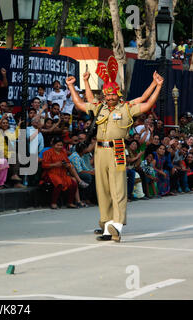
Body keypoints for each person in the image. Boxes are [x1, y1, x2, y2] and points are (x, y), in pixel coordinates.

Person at [66, 56, 164, 242]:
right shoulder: (100, 108)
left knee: (118, 188)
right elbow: (81, 103)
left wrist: (156, 85)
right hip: (100, 150)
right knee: (102, 188)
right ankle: (106, 225)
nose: (109, 97)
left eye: (113, 94)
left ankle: (117, 226)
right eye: (107, 94)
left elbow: (146, 102)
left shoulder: (127, 108)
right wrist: (73, 85)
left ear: (118, 95)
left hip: (118, 148)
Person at [41, 137, 78, 209]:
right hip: (51, 173)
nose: (59, 147)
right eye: (57, 145)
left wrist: (67, 165)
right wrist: (54, 164)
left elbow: (67, 162)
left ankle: (70, 202)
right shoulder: (47, 152)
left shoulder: (63, 152)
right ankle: (53, 203)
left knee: (73, 183)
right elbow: (44, 165)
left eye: (61, 145)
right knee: (58, 183)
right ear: (53, 145)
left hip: (62, 173)